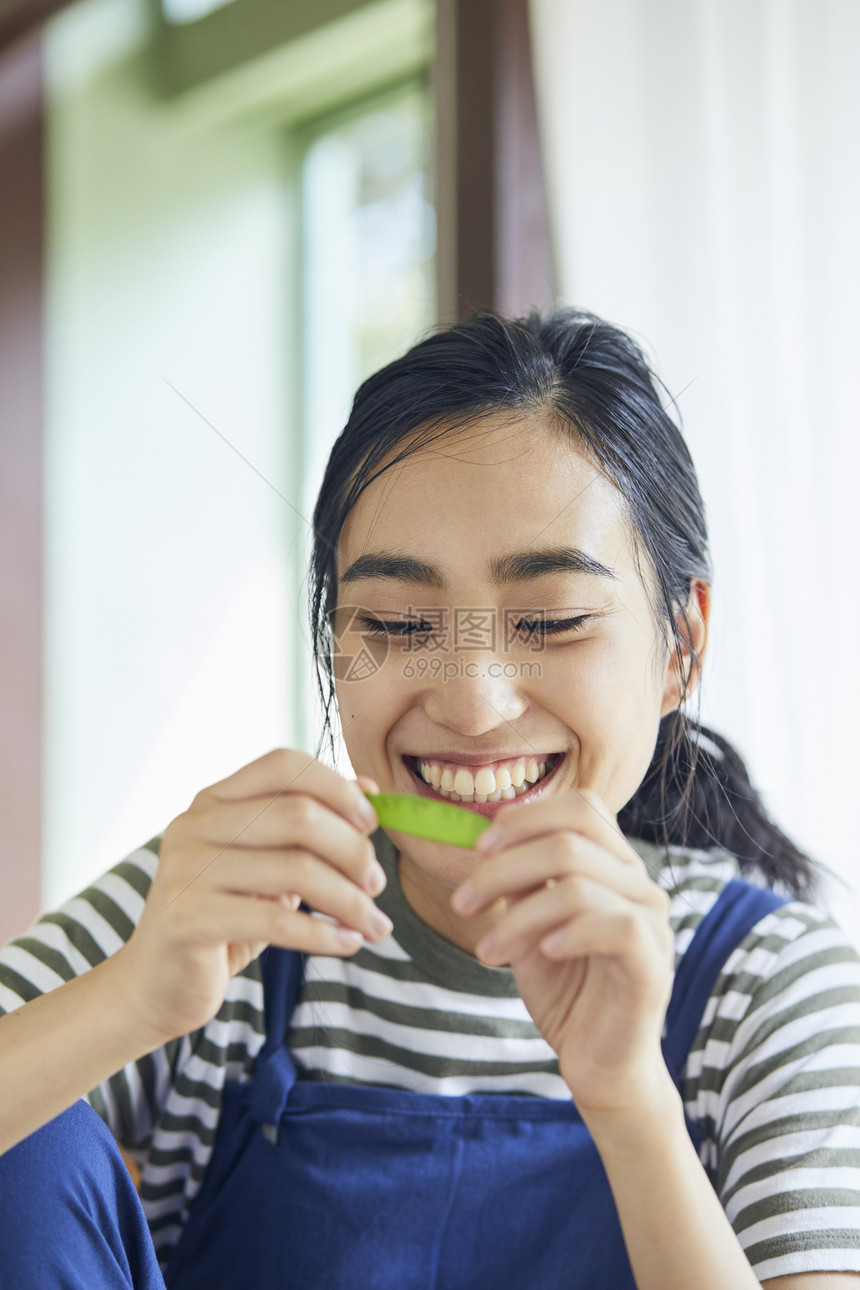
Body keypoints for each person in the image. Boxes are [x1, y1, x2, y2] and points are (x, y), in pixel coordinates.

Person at [1, 308, 859, 1290]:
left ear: (681, 647)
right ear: (334, 640)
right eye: (398, 623)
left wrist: (629, 1104)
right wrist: (127, 1000)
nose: (470, 703)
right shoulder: (223, 904)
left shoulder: (763, 985)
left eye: (549, 620)